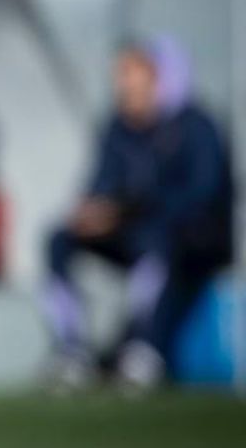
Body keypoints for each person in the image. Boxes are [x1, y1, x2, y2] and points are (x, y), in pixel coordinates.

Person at [42, 38, 234, 388]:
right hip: (133, 232)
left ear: (159, 79)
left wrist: (125, 209)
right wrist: (92, 210)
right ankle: (72, 351)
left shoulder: (196, 126)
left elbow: (203, 196)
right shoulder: (117, 127)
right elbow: (102, 181)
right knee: (59, 239)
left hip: (189, 242)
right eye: (121, 76)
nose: (125, 85)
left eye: (133, 75)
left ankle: (143, 349)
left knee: (157, 237)